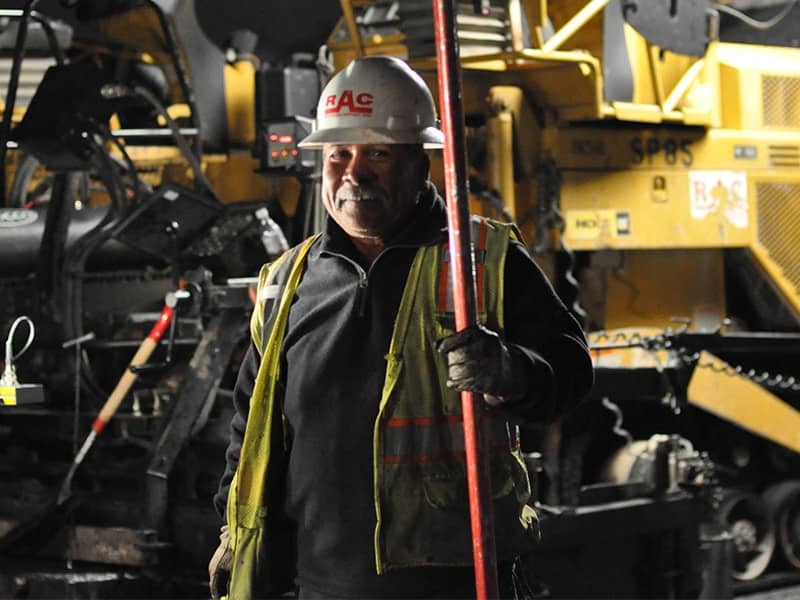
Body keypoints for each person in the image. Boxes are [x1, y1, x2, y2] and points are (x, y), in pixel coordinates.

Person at [209, 55, 593, 599]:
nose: (354, 173)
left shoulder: (482, 258)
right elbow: (250, 422)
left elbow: (572, 372)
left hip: (450, 580)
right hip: (314, 584)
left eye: (379, 154)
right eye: (339, 154)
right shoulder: (285, 280)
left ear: (421, 164)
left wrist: (509, 370)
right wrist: (233, 528)